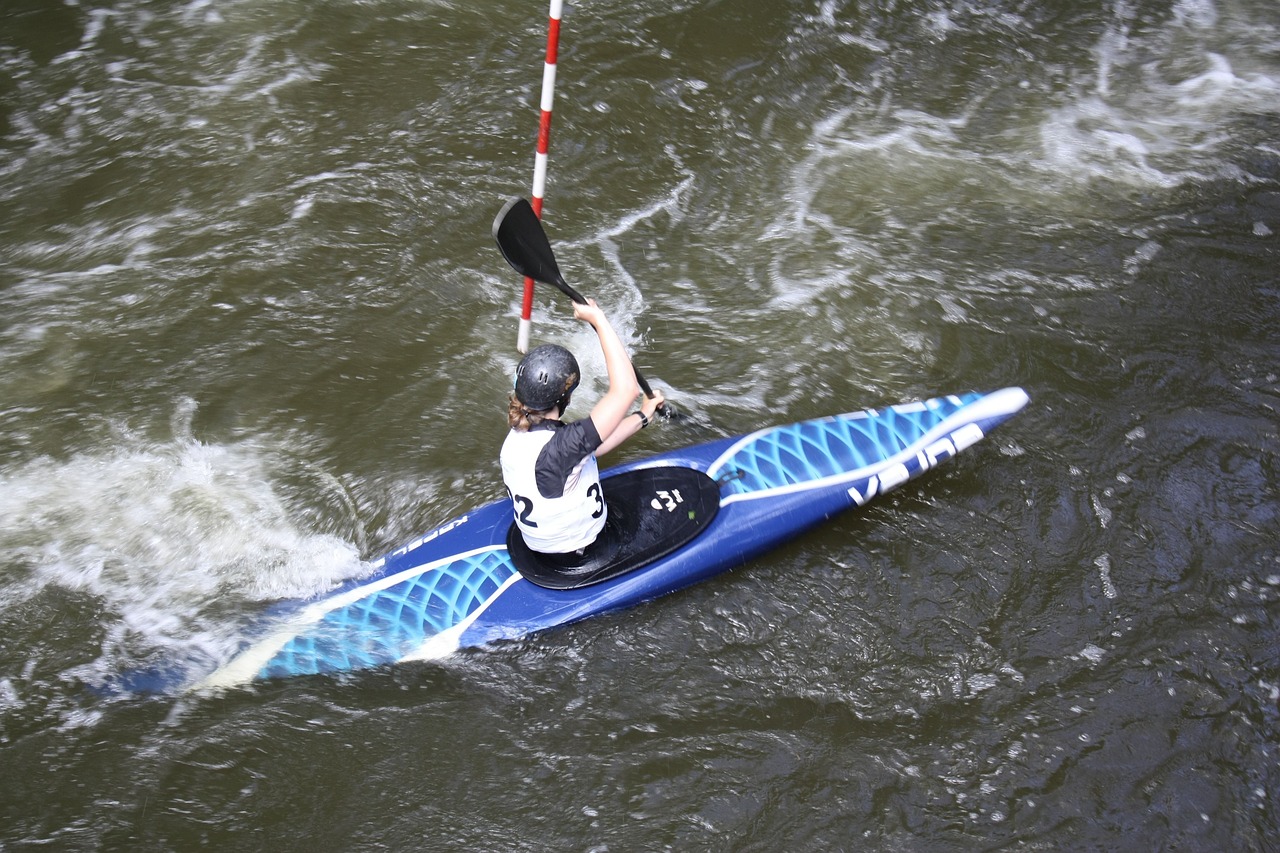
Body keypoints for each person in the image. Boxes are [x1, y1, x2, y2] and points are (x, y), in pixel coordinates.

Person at [501, 299, 665, 559]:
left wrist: (643, 416)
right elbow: (626, 390)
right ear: (565, 399)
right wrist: (598, 319)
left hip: (540, 546)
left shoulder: (518, 435)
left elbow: (592, 448)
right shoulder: (562, 446)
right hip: (580, 551)